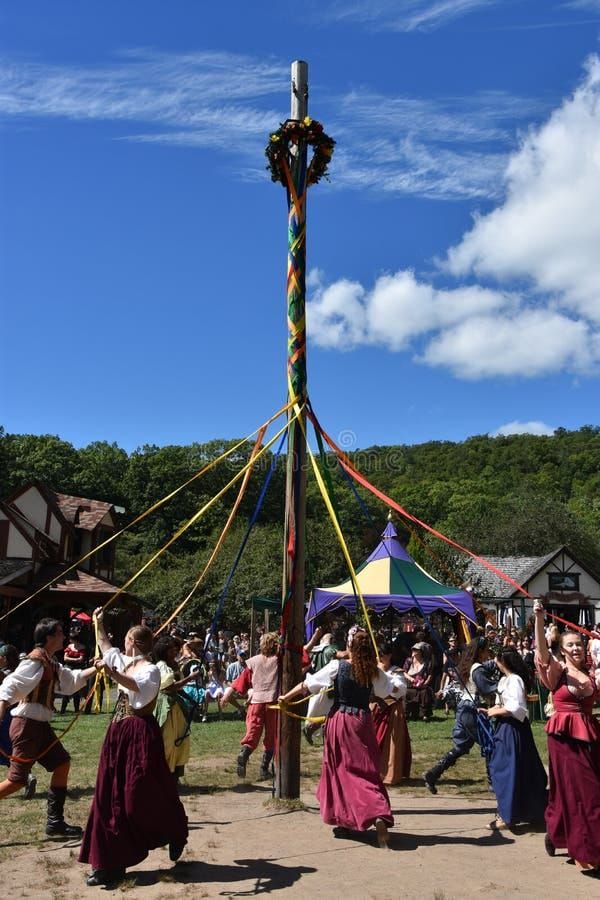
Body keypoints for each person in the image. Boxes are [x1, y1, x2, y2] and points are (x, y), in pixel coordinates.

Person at [80, 609, 188, 887]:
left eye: (126, 637)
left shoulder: (150, 670)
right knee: (107, 796)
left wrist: (112, 673)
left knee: (138, 795)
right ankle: (108, 864)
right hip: (117, 734)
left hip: (140, 735)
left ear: (133, 642)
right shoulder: (123, 661)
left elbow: (137, 688)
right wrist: (99, 621)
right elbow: (105, 645)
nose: (122, 641)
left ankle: (174, 830)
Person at [279, 630, 405, 848]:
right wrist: (398, 686)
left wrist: (285, 697)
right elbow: (391, 690)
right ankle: (372, 814)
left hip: (340, 721)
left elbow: (307, 685)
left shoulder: (337, 667)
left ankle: (359, 817)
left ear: (351, 647)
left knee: (339, 771)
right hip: (363, 721)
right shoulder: (374, 671)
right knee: (365, 769)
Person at [0, 618, 96, 835]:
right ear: (49, 637)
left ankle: (55, 822)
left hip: (40, 726)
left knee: (62, 763)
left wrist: (98, 668)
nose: (64, 636)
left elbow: (70, 681)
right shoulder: (35, 660)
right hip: (26, 726)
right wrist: (1, 708)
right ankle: (55, 822)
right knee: (16, 781)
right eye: (60, 632)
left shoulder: (50, 662)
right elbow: (11, 684)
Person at [534, 600, 600, 877]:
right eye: (570, 645)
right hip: (565, 738)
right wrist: (539, 618)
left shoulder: (591, 672)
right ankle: (586, 852)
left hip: (590, 735)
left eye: (579, 644)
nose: (576, 648)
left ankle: (556, 831)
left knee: (570, 791)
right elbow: (542, 653)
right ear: (562, 649)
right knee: (587, 793)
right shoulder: (557, 671)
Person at [423, 636, 498, 794]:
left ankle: (433, 774)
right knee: (490, 743)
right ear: (480, 651)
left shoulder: (468, 665)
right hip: (473, 710)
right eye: (486, 650)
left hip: (463, 709)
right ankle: (493, 783)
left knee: (461, 747)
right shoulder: (477, 669)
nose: (488, 653)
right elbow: (487, 688)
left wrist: (497, 662)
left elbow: (490, 666)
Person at [483, 647, 547, 829]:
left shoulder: (515, 680)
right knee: (513, 769)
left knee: (507, 770)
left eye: (497, 658)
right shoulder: (505, 680)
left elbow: (516, 708)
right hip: (504, 727)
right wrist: (491, 710)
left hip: (513, 729)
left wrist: (494, 712)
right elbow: (504, 704)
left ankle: (507, 816)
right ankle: (521, 812)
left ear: (503, 661)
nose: (495, 662)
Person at [153, 635, 200, 781]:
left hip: (176, 707)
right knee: (168, 741)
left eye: (175, 649)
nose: (174, 652)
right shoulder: (162, 666)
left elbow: (178, 689)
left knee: (179, 739)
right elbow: (168, 687)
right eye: (171, 649)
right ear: (164, 650)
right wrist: (190, 678)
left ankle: (174, 774)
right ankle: (164, 775)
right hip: (165, 707)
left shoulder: (173, 665)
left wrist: (192, 700)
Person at [236, 632, 279, 781]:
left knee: (252, 732)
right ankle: (264, 769)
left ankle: (244, 754)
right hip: (273, 702)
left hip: (256, 702)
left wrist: (231, 694)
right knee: (272, 736)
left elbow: (242, 682)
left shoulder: (253, 661)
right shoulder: (280, 659)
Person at [0, 643, 37, 800]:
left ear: (5, 658)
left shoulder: (5, 674)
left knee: (8, 751)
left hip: (5, 716)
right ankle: (27, 776)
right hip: (15, 716)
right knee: (12, 751)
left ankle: (26, 777)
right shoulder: (19, 672)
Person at [370, 643, 411, 785]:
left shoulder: (396, 672)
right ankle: (371, 772)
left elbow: (400, 690)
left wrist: (384, 678)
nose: (381, 658)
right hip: (375, 708)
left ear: (389, 656)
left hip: (392, 709)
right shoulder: (373, 670)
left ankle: (388, 774)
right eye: (379, 655)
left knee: (391, 743)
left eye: (383, 655)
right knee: (372, 740)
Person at [60, 629, 88, 713]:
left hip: (77, 669)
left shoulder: (82, 647)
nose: (69, 640)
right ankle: (63, 709)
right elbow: (65, 658)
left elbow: (81, 659)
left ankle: (76, 709)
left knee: (76, 689)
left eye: (71, 639)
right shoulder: (69, 646)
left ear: (75, 639)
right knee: (65, 687)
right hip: (68, 668)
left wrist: (71, 659)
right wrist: (76, 659)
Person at [403, 642, 433, 721]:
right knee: (406, 692)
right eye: (413, 649)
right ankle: (406, 713)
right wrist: (411, 679)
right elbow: (404, 672)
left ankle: (424, 714)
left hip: (422, 685)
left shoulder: (427, 662)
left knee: (425, 692)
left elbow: (430, 674)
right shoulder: (409, 660)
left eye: (416, 649)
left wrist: (426, 682)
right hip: (410, 684)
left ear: (421, 651)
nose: (414, 651)